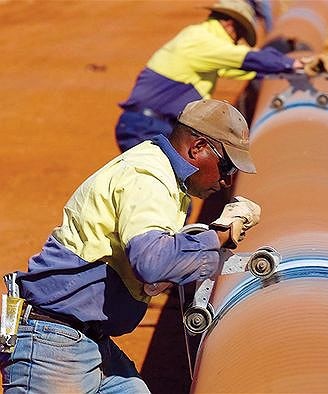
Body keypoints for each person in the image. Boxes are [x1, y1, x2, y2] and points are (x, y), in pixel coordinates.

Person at [1, 99, 263, 393]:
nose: (227, 179)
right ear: (198, 147)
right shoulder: (148, 178)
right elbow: (152, 263)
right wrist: (219, 235)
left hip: (87, 342)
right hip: (53, 342)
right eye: (226, 165)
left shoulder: (166, 180)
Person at [115, 0, 305, 152]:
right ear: (230, 25)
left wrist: (280, 68)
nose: (237, 42)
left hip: (151, 126)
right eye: (238, 36)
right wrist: (294, 64)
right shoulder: (201, 40)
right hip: (147, 127)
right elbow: (243, 58)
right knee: (167, 190)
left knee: (173, 191)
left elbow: (240, 68)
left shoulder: (202, 44)